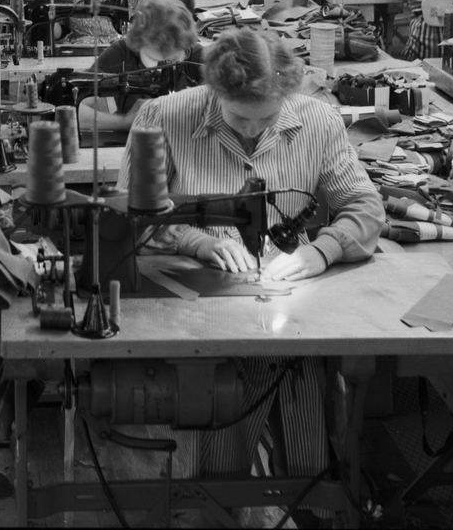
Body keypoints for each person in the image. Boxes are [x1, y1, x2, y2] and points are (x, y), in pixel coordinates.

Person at [117, 29, 384, 510]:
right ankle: (220, 504)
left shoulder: (318, 121)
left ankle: (309, 501)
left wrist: (322, 250)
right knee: (222, 392)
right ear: (214, 91)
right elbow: (132, 218)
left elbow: (364, 206)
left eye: (267, 117)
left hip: (288, 307)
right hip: (194, 309)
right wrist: (197, 240)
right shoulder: (163, 118)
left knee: (303, 376)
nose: (252, 130)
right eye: (239, 117)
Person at [79, 0, 204, 136]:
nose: (163, 68)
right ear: (137, 44)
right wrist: (123, 122)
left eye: (173, 60)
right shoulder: (122, 53)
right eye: (154, 61)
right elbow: (70, 108)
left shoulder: (197, 56)